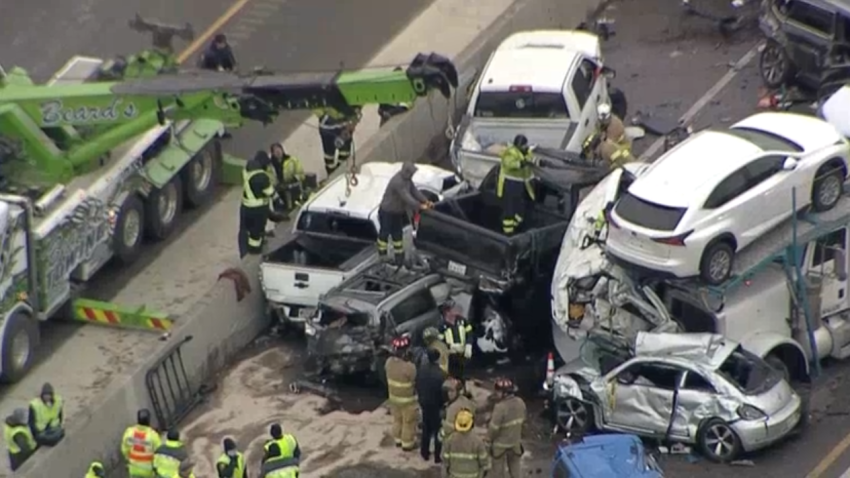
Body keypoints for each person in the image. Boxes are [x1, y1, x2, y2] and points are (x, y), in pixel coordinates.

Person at [377, 162, 432, 264]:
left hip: (397, 213)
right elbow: (407, 198)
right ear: (407, 172)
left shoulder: (408, 181)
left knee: (397, 235)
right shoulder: (398, 182)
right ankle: (382, 254)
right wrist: (420, 206)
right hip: (387, 212)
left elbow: (414, 191)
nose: (412, 175)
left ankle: (399, 258)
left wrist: (426, 201)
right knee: (385, 233)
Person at [239, 151, 277, 258]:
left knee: (245, 230)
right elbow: (270, 192)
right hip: (258, 209)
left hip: (245, 207)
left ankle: (244, 253)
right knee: (256, 233)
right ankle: (254, 252)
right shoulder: (261, 176)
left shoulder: (247, 170)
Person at [487, 378, 527, 478]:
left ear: (504, 393)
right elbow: (523, 422)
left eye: (498, 391)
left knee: (498, 473)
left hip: (500, 447)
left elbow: (493, 429)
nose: (496, 393)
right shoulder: (520, 402)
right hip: (515, 445)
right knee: (516, 472)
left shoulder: (500, 407)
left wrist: (488, 440)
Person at [497, 135, 536, 236]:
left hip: (521, 186)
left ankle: (515, 226)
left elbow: (531, 160)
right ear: (518, 145)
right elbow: (509, 164)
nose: (525, 147)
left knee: (520, 210)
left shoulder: (527, 153)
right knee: (509, 211)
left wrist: (528, 157)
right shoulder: (510, 152)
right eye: (523, 145)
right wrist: (521, 163)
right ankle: (508, 233)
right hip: (510, 185)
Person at [385, 335, 418, 451]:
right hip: (407, 401)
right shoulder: (409, 367)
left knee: (397, 420)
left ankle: (398, 440)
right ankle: (407, 445)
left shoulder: (388, 363)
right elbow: (414, 380)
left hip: (393, 398)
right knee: (408, 423)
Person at [416, 348, 447, 463]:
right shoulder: (441, 374)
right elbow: (444, 393)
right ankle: (437, 456)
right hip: (436, 406)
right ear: (438, 359)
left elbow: (417, 385)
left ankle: (424, 453)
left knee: (426, 429)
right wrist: (443, 405)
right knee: (438, 431)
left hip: (424, 403)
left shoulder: (421, 370)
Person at [441, 409, 490, 478]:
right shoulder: (477, 441)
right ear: (471, 424)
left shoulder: (450, 440)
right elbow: (484, 463)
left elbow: (445, 462)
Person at [315, 107, 359, 177]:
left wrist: (354, 118)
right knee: (329, 156)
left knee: (345, 154)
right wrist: (323, 116)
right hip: (327, 128)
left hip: (345, 126)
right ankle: (331, 175)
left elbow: (357, 104)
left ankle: (341, 175)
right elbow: (314, 101)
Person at [439, 300, 473, 386]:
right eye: (453, 309)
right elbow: (440, 341)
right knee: (454, 378)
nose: (456, 310)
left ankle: (465, 391)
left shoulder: (462, 321)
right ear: (447, 311)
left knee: (465, 376)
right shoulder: (442, 326)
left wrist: (469, 345)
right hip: (451, 356)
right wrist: (451, 346)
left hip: (463, 354)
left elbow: (469, 333)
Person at [122, 408, 162, 478]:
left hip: (133, 469)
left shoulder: (129, 432)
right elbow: (160, 454)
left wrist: (129, 459)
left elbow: (124, 450)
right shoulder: (153, 436)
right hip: (148, 472)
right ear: (149, 420)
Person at [269, 143, 306, 213]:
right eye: (276, 151)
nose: (278, 153)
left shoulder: (292, 161)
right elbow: (269, 180)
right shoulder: (270, 166)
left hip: (292, 190)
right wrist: (277, 186)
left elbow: (301, 174)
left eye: (279, 150)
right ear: (272, 154)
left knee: (293, 210)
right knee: (280, 213)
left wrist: (292, 181)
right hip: (278, 194)